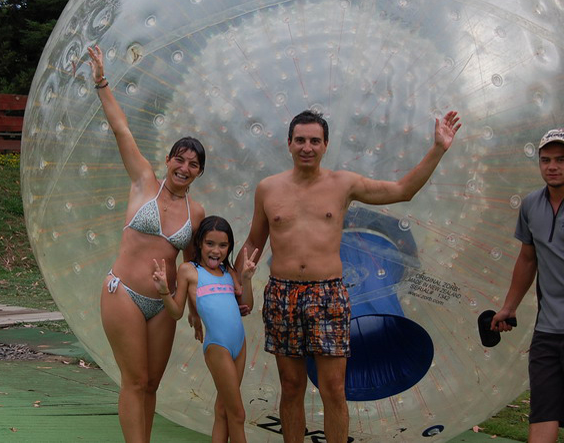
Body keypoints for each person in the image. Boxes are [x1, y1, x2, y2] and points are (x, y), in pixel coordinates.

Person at [233, 109, 461, 443]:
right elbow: (254, 241)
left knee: (334, 390)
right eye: (300, 140)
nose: (307, 147)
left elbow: (402, 190)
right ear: (289, 144)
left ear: (325, 145)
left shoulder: (344, 184)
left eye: (314, 140)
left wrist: (438, 148)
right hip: (282, 295)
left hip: (328, 295)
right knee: (291, 387)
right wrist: (240, 284)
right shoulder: (268, 189)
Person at [86, 45, 207, 443]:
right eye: (179, 159)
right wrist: (102, 80)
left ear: (198, 172)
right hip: (123, 292)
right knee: (135, 380)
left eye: (192, 165)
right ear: (168, 159)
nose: (184, 168)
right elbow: (121, 128)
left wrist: (192, 306)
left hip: (163, 303)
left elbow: (191, 263)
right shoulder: (144, 183)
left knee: (152, 384)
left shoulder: (196, 212)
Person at [152, 215, 259, 443]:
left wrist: (247, 279)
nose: (216, 250)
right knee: (238, 414)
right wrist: (163, 291)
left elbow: (247, 306)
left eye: (223, 245)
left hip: (239, 345)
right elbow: (176, 312)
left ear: (229, 247)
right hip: (217, 347)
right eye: (210, 243)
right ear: (199, 243)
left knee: (223, 411)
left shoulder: (229, 272)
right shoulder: (188, 270)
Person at [491, 128, 564, 443]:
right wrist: (509, 306)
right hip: (548, 332)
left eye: (561, 160)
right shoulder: (531, 205)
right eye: (546, 160)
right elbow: (527, 259)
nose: (552, 166)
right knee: (543, 414)